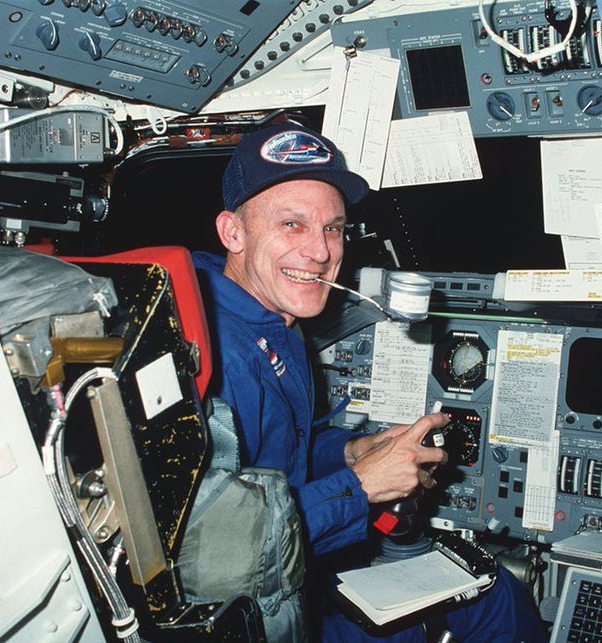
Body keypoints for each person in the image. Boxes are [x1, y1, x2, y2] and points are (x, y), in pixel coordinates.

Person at [192, 123, 546, 642]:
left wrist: (352, 451)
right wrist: (359, 489)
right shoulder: (203, 347)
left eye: (332, 228)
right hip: (248, 617)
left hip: (291, 583)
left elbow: (273, 459)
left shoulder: (276, 323)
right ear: (233, 233)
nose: (320, 251)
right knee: (488, 600)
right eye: (292, 224)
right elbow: (212, 551)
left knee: (493, 591)